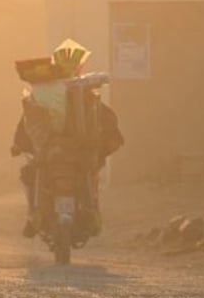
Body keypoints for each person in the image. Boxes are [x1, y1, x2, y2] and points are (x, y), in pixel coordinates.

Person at [11, 39, 124, 238]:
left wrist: (18, 145)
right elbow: (108, 126)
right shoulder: (87, 94)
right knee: (89, 175)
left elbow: (27, 124)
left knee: (30, 174)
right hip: (78, 154)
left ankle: (32, 217)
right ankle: (90, 214)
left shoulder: (43, 94)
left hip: (52, 154)